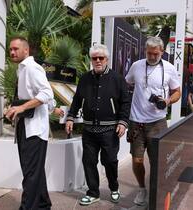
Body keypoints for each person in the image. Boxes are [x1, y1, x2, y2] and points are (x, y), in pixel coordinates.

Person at [65, 44, 131, 206]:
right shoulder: (85, 78)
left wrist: (123, 122)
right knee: (89, 161)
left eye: (101, 58)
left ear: (106, 59)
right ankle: (93, 192)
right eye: (95, 58)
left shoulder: (117, 78)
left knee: (109, 161)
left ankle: (114, 188)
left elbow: (125, 102)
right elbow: (77, 100)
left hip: (110, 130)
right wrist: (70, 117)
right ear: (91, 60)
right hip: (88, 130)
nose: (98, 61)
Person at [125, 36, 181, 206]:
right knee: (137, 160)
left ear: (162, 52)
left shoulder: (170, 69)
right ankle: (142, 189)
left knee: (157, 161)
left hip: (158, 122)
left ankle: (157, 191)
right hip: (136, 121)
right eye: (149, 53)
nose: (152, 57)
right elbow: (127, 82)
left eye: (156, 54)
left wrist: (168, 101)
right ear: (145, 51)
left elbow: (177, 91)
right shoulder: (136, 66)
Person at [5, 36, 54, 210]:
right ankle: (43, 204)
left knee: (31, 173)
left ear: (26, 50)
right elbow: (47, 101)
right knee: (35, 171)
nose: (12, 52)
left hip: (34, 130)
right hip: (25, 127)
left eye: (16, 49)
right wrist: (14, 108)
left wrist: (21, 107)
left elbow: (47, 93)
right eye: (10, 49)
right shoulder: (22, 69)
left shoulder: (32, 68)